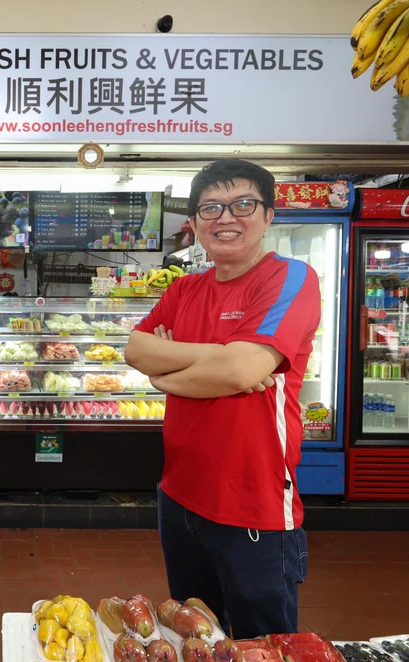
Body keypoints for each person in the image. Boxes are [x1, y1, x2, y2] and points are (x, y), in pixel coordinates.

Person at [124, 159, 319, 639]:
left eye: (243, 204)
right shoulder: (186, 288)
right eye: (210, 208)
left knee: (263, 642)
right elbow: (136, 349)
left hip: (252, 502)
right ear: (193, 223)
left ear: (269, 215)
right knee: (197, 636)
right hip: (178, 494)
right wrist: (221, 359)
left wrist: (169, 374)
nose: (226, 218)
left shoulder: (291, 279)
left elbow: (241, 370)